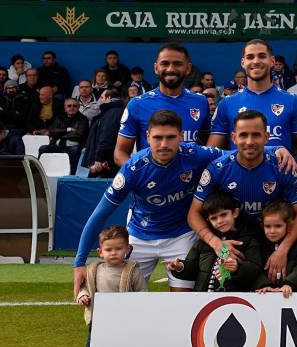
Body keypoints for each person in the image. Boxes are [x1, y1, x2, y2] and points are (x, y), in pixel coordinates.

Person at [73, 110, 227, 298]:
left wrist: (273, 151)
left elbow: (236, 155)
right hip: (140, 237)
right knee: (123, 298)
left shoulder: (195, 154)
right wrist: (79, 263)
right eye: (157, 138)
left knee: (184, 303)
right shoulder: (133, 168)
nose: (163, 144)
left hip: (182, 234)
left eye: (170, 137)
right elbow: (100, 214)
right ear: (147, 137)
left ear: (181, 136)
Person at [190, 110, 297, 286]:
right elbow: (193, 214)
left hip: (273, 237)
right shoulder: (218, 168)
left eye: (256, 135)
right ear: (234, 137)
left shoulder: (282, 166)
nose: (249, 142)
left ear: (266, 138)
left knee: (286, 286)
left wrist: (283, 249)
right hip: (237, 241)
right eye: (243, 135)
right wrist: (214, 242)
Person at [208, 39, 297, 184]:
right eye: (250, 57)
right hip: (236, 185)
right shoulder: (226, 104)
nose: (256, 61)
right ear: (243, 62)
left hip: (279, 188)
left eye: (262, 56)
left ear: (272, 61)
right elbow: (211, 151)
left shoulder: (292, 101)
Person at [73, 225, 146, 347]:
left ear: (128, 249)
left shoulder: (133, 270)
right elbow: (85, 287)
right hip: (98, 323)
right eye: (108, 249)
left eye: (118, 249)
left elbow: (143, 294)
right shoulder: (94, 270)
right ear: (100, 252)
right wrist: (82, 295)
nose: (113, 253)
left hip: (124, 325)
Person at [114, 43, 211, 167]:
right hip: (151, 183)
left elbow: (209, 145)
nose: (170, 69)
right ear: (156, 68)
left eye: (177, 64)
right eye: (165, 64)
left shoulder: (201, 102)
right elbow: (120, 153)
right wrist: (140, 174)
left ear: (188, 68)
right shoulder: (137, 104)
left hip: (191, 183)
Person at [167, 190, 265, 292]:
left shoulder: (248, 241)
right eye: (214, 218)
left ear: (235, 213)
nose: (219, 221)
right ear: (208, 220)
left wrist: (237, 269)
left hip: (236, 301)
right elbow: (193, 269)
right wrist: (180, 267)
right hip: (204, 300)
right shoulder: (203, 243)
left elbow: (255, 269)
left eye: (223, 215)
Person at [257, 200, 297, 296]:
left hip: (296, 300)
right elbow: (254, 268)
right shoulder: (259, 246)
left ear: (289, 226)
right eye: (267, 226)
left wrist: (289, 284)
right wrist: (264, 285)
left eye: (278, 226)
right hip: (264, 300)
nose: (272, 231)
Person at [38, 98, 89, 175]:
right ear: (65, 108)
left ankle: (72, 174)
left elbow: (79, 134)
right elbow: (52, 131)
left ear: (78, 107)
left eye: (75, 106)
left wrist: (61, 136)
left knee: (75, 150)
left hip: (73, 146)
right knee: (43, 148)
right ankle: (38, 172)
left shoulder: (83, 119)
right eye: (69, 106)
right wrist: (67, 130)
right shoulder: (59, 117)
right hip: (57, 145)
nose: (72, 108)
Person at [82, 89, 123, 178]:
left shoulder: (112, 113)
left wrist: (98, 159)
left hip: (105, 162)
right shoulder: (110, 112)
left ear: (108, 98)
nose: (99, 100)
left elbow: (106, 137)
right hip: (107, 159)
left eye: (101, 97)